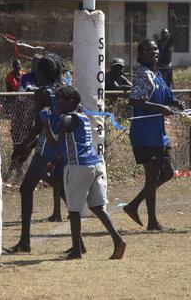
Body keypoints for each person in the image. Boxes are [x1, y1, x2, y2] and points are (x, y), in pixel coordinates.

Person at [40, 85, 126, 260]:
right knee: (96, 207)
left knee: (74, 210)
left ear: (71, 101)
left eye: (60, 99)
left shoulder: (66, 119)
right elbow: (73, 144)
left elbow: (53, 142)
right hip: (95, 164)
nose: (56, 103)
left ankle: (77, 250)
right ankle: (118, 240)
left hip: (78, 167)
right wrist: (56, 161)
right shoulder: (84, 118)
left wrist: (45, 122)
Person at [6, 57, 67, 253]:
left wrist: (23, 146)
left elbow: (38, 125)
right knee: (67, 189)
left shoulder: (43, 92)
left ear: (42, 74)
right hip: (64, 144)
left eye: (38, 72)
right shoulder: (64, 89)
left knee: (26, 189)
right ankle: (79, 242)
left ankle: (25, 241)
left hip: (46, 147)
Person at [123, 39, 184, 231]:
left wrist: (175, 103)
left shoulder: (157, 75)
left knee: (167, 173)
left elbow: (167, 97)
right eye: (148, 50)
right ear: (140, 55)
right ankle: (153, 223)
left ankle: (133, 205)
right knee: (152, 176)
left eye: (155, 49)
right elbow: (135, 100)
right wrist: (161, 107)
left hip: (158, 134)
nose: (154, 52)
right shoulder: (142, 75)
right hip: (145, 134)